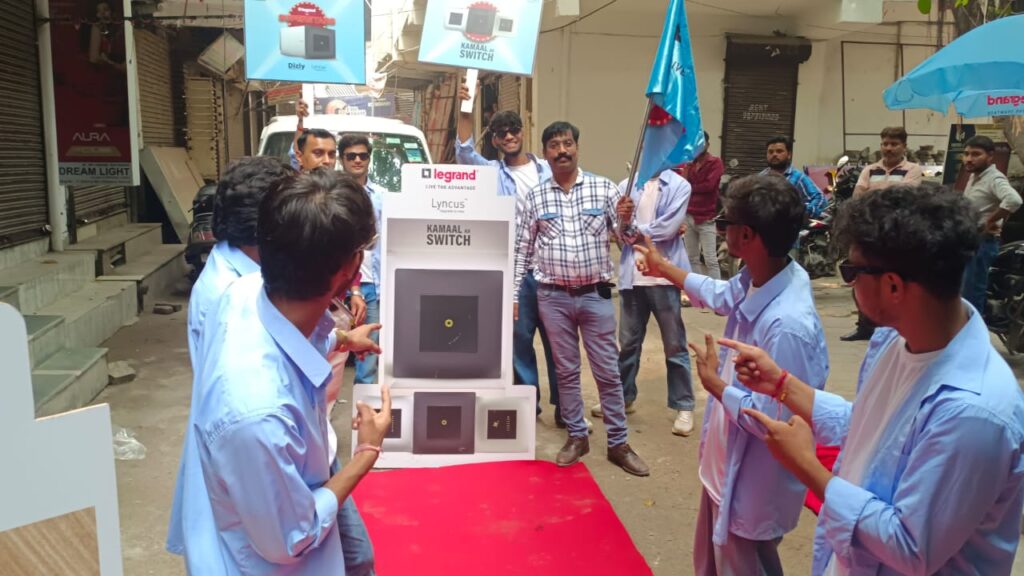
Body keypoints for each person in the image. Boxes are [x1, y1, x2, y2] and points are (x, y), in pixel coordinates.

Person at [723, 184, 1024, 575]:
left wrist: (807, 466)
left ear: (893, 286)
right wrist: (782, 384)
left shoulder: (973, 412)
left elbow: (909, 547)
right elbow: (869, 428)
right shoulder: (894, 341)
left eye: (851, 272)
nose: (849, 285)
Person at [167, 160, 380, 575]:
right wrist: (367, 452)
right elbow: (292, 538)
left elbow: (295, 335)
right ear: (351, 270)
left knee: (358, 556)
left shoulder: (247, 289)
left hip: (289, 473)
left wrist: (341, 338)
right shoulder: (258, 414)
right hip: (276, 550)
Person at [635, 174, 829, 575]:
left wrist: (717, 386)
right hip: (726, 466)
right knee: (713, 562)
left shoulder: (788, 326)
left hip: (753, 482)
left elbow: (776, 425)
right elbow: (721, 295)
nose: (721, 231)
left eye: (727, 223)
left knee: (744, 562)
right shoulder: (765, 275)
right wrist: (664, 268)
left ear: (747, 236)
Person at [514, 120, 648, 475]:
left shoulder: (604, 189)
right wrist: (514, 296)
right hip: (553, 297)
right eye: (554, 145)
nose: (562, 150)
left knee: (607, 370)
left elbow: (627, 238)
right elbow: (522, 251)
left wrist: (627, 220)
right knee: (566, 370)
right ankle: (577, 435)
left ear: (577, 147)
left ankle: (618, 442)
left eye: (567, 143)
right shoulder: (535, 197)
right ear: (545, 154)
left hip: (595, 296)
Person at [455, 82, 579, 428]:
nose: (509, 136)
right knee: (519, 341)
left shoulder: (547, 169)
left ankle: (566, 408)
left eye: (513, 130)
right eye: (501, 133)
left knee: (559, 342)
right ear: (494, 140)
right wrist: (466, 104)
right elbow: (463, 150)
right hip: (514, 273)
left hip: (552, 269)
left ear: (522, 133)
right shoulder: (491, 173)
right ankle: (528, 406)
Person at [591, 169, 695, 437]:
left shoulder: (679, 185)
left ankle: (684, 405)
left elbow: (668, 228)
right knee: (627, 345)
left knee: (674, 345)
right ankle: (623, 398)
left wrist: (632, 230)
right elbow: (617, 232)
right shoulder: (626, 185)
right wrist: (625, 228)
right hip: (632, 278)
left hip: (664, 276)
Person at [842, 127, 924, 342]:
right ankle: (864, 327)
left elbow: (905, 199)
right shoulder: (869, 170)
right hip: (870, 233)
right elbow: (857, 198)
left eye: (894, 144)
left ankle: (892, 328)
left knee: (893, 281)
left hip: (897, 235)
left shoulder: (913, 170)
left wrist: (874, 196)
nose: (888, 148)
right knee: (864, 279)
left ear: (904, 146)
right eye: (885, 143)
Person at [339, 133, 384, 383]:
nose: (357, 160)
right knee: (328, 352)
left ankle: (361, 407)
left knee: (367, 359)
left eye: (363, 156)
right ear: (341, 159)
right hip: (335, 285)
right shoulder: (332, 193)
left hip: (370, 284)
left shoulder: (381, 196)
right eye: (351, 156)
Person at [961, 135, 1022, 313]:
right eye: (966, 154)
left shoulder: (994, 178)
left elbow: (1014, 200)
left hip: (983, 242)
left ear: (990, 156)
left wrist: (989, 221)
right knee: (965, 291)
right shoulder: (975, 176)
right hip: (971, 240)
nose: (969, 159)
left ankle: (974, 327)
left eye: (975, 154)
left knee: (972, 292)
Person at [678, 131, 725, 280]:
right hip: (689, 215)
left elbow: (709, 186)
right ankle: (698, 288)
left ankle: (717, 289)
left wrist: (689, 187)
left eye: (702, 142)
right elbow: (682, 185)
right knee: (692, 257)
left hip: (706, 217)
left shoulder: (715, 162)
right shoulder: (690, 164)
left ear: (708, 144)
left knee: (710, 259)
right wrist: (686, 175)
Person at [759, 136, 826, 218]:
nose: (774, 154)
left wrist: (800, 212)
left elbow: (820, 199)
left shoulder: (798, 178)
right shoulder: (760, 178)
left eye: (779, 151)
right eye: (770, 152)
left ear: (789, 155)